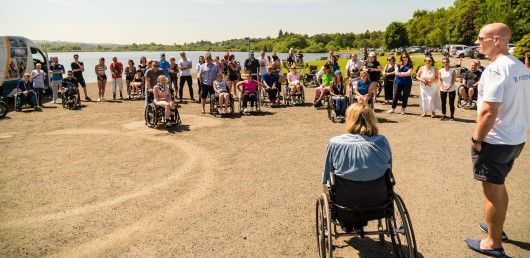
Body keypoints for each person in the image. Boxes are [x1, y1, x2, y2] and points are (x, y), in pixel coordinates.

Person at [464, 23, 530, 258]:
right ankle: (496, 228)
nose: (477, 42)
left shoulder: (495, 69)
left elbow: (488, 111)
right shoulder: (519, 66)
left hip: (496, 140)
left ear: (497, 40)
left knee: (492, 189)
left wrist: (477, 138)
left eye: (481, 38)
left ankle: (492, 243)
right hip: (516, 138)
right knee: (498, 185)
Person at [322, 102, 391, 232]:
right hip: (379, 200)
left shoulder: (335, 143)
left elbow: (327, 174)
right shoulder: (382, 141)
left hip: (345, 201)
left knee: (333, 184)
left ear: (349, 119)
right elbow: (389, 170)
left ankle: (348, 221)